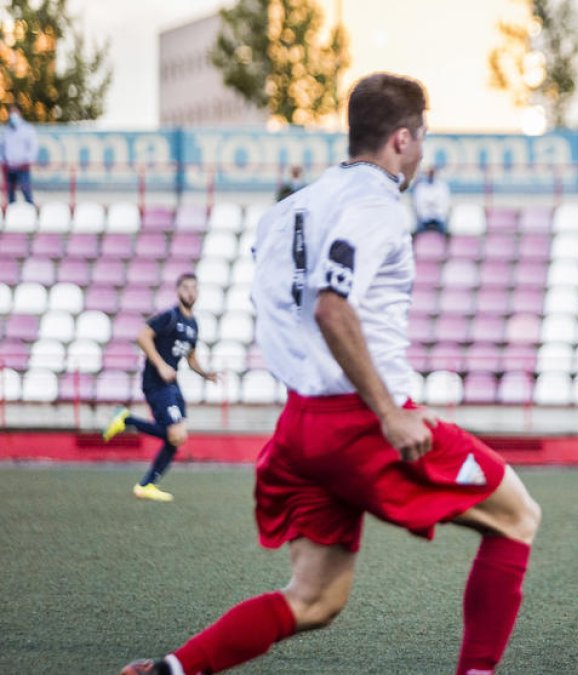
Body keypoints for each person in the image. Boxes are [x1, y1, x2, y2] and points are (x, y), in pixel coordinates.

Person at [120, 73, 540, 675]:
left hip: (300, 424)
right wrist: (389, 411)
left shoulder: (287, 210)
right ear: (402, 138)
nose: (422, 152)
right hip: (360, 420)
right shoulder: (376, 206)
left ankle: (171, 670)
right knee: (517, 516)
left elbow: (289, 306)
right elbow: (331, 307)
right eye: (422, 138)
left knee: (314, 599)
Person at [103, 273, 217, 502]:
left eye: (194, 288)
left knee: (178, 437)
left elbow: (191, 357)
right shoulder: (169, 316)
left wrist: (205, 373)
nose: (190, 292)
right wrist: (161, 365)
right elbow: (142, 336)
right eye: (186, 288)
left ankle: (146, 484)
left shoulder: (193, 324)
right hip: (156, 382)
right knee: (176, 434)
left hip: (172, 384)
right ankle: (126, 420)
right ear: (178, 291)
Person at [2, 106, 38, 205]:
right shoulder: (6, 130)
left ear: (20, 113)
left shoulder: (27, 129)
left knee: (26, 191)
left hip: (23, 167)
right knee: (10, 193)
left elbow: (33, 147)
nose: (13, 115)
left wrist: (27, 161)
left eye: (15, 112)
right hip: (9, 167)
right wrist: (3, 161)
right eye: (11, 112)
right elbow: (2, 147)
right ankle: (11, 211)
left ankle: (31, 209)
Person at [411, 165, 451, 237]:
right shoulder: (421, 187)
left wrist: (434, 208)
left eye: (432, 173)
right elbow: (418, 203)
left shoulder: (442, 186)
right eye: (429, 173)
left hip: (438, 216)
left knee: (445, 231)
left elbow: (445, 203)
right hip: (424, 217)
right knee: (417, 232)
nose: (431, 175)